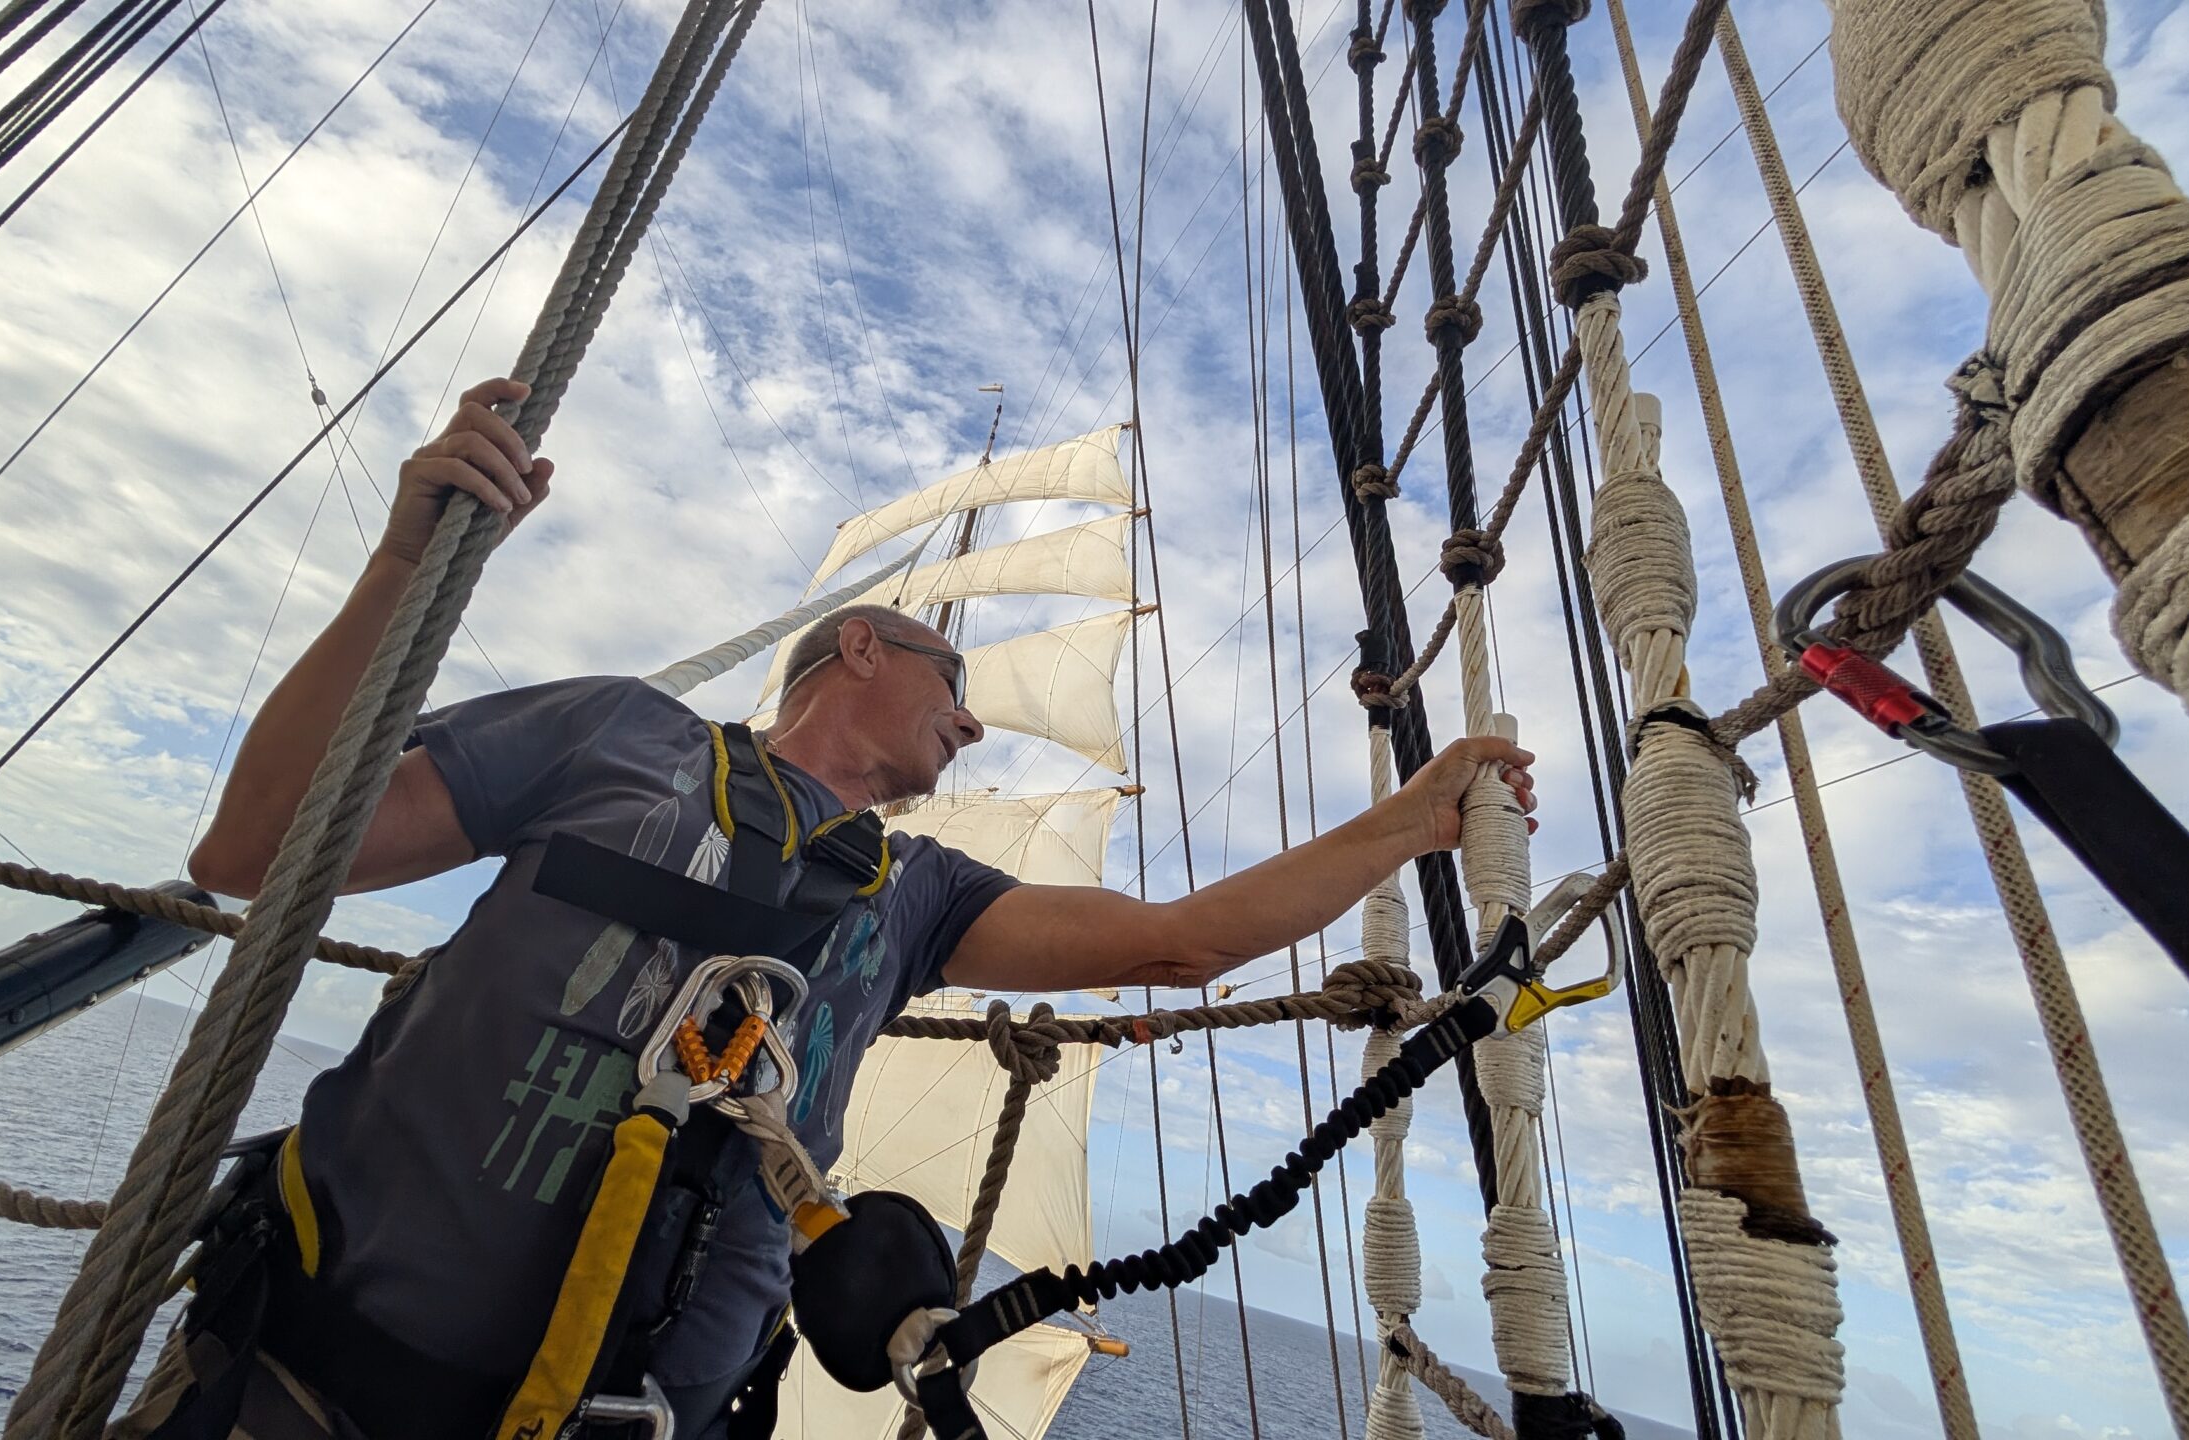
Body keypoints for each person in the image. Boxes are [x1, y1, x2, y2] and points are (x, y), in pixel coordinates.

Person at [142, 378, 1536, 1440]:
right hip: (304, 1393)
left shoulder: (921, 892)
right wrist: (406, 562)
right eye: (954, 683)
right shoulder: (613, 734)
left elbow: (1185, 943)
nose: (975, 725)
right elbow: (259, 846)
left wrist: (1412, 822)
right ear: (860, 645)